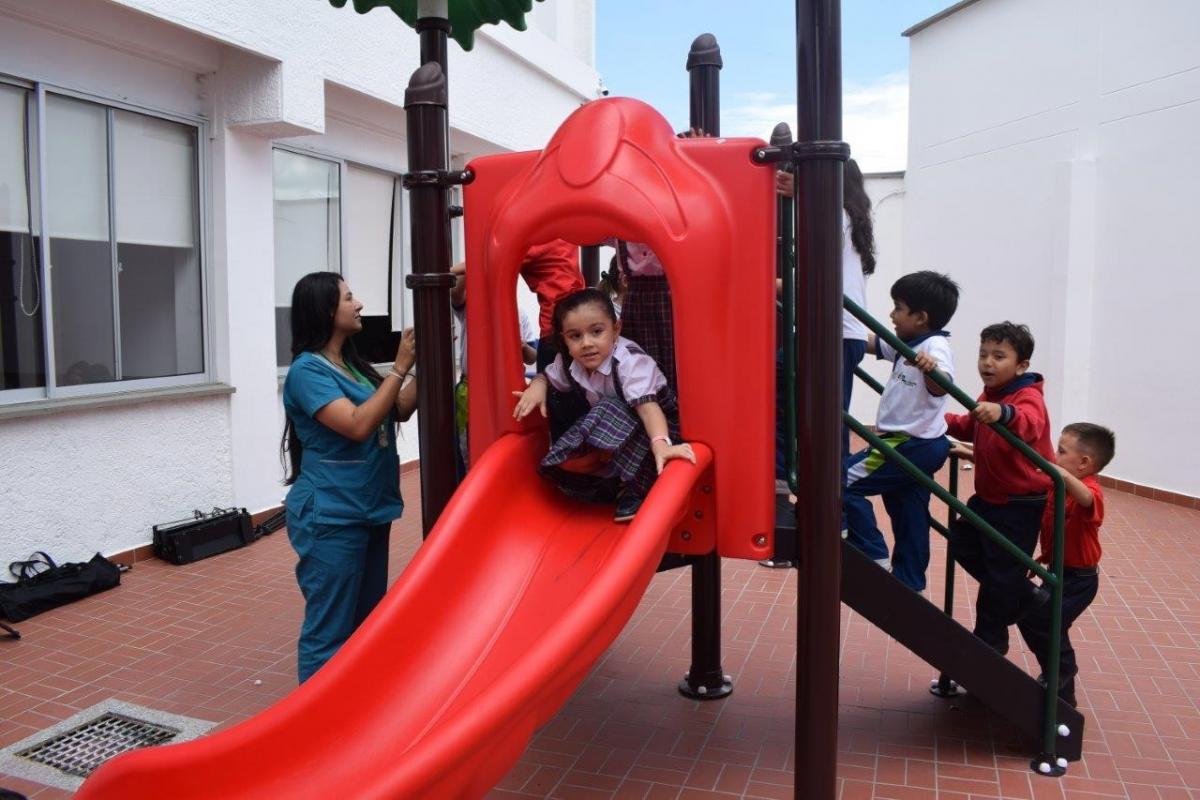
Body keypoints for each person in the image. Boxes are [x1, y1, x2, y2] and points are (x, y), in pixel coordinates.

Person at [280, 272, 417, 683]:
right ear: (325, 309)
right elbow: (359, 424)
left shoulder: (351, 366)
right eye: (349, 297)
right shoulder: (307, 372)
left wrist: (431, 362)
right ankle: (315, 728)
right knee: (330, 629)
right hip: (331, 514)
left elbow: (399, 408)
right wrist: (399, 366)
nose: (358, 305)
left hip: (368, 507)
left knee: (367, 621)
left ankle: (353, 710)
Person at [512, 288, 696, 522]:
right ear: (564, 339)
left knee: (607, 410)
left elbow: (649, 410)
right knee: (566, 460)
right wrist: (538, 384)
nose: (587, 343)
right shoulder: (570, 362)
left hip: (661, 429)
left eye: (597, 332)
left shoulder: (629, 362)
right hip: (622, 432)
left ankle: (638, 488)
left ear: (616, 330)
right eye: (575, 336)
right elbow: (548, 377)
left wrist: (662, 445)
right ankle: (610, 483)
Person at [843, 271, 959, 591]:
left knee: (838, 483)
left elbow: (941, 386)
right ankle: (910, 581)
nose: (892, 315)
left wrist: (931, 370)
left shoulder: (934, 348)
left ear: (921, 317)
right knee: (909, 511)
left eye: (898, 308)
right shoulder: (910, 342)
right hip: (921, 443)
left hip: (906, 443)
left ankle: (871, 551)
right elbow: (870, 343)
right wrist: (838, 329)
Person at [946, 321, 1055, 655]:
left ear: (1021, 365)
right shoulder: (989, 395)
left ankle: (990, 646)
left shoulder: (1027, 396)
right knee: (963, 544)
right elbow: (969, 425)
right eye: (983, 355)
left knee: (1000, 574)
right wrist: (935, 421)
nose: (987, 363)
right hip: (990, 498)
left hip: (1021, 504)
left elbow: (1029, 421)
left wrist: (1003, 412)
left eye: (998, 356)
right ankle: (1026, 594)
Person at [775, 158, 875, 481]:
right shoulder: (847, 220)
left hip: (835, 332)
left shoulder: (836, 216)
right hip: (839, 331)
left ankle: (837, 506)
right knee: (815, 409)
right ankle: (807, 482)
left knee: (826, 422)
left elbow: (814, 282)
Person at [1017, 422, 1114, 708]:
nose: (1055, 456)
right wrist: (973, 453)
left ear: (1084, 463)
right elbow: (1026, 465)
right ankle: (1063, 695)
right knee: (1041, 621)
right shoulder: (1058, 483)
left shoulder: (1090, 490)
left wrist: (1058, 472)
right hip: (1057, 572)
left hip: (1080, 581)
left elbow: (1086, 498)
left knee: (1044, 621)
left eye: (1061, 451)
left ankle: (1061, 672)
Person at [450, 260, 537, 474]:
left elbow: (532, 358)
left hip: (508, 388)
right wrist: (478, 262)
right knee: (470, 448)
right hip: (472, 389)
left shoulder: (519, 313)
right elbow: (456, 293)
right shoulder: (471, 306)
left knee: (506, 443)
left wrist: (523, 346)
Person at [519, 240, 584, 371]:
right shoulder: (566, 235)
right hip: (580, 319)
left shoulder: (537, 240)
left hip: (555, 327)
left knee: (548, 384)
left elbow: (493, 262)